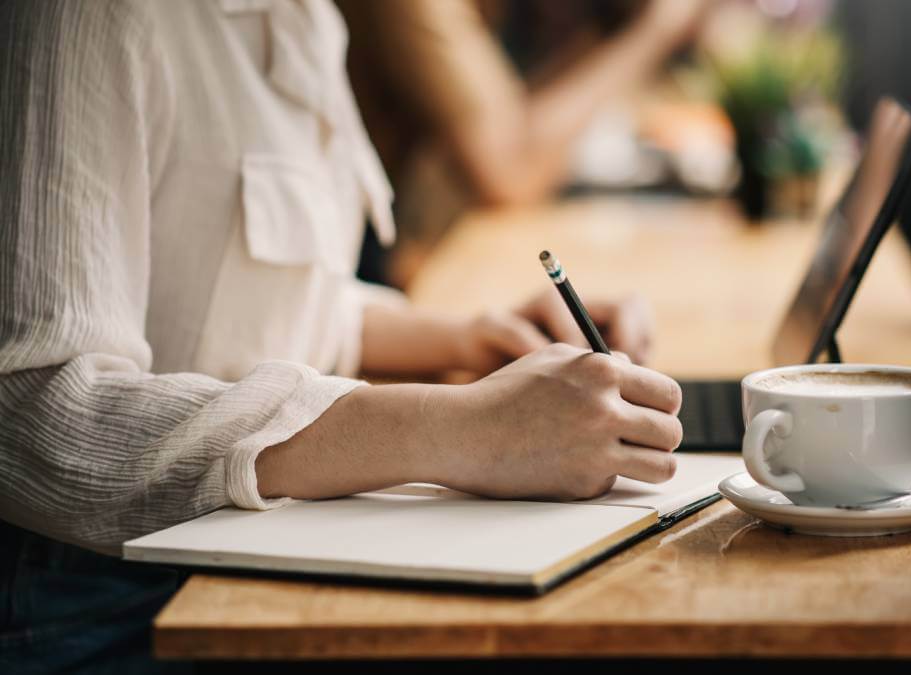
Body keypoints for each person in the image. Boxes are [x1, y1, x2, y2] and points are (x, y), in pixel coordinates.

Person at [0, 0, 681, 670]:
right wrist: (464, 429)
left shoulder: (309, 15)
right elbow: (30, 412)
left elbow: (264, 305)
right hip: (97, 604)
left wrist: (475, 339)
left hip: (254, 549)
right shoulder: (86, 15)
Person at [337, 0, 713, 287]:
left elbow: (514, 119)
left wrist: (613, 25)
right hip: (354, 268)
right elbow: (510, 172)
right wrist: (656, 28)